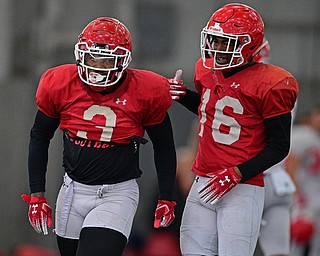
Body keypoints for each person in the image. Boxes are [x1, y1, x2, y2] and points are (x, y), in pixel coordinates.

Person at [21, 17, 177, 256]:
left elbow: (164, 145)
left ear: (122, 61)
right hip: (72, 190)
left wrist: (166, 196)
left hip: (116, 193)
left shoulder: (146, 90)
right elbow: (40, 135)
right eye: (92, 58)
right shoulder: (60, 83)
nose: (97, 67)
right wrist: (37, 195)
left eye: (106, 60)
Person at [168, 3, 298, 255]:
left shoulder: (273, 83)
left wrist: (238, 172)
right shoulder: (205, 70)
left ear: (249, 45)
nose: (216, 48)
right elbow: (214, 111)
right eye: (214, 40)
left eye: (224, 42)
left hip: (242, 187)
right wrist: (183, 95)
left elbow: (280, 146)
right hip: (203, 179)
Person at [253, 39, 297, 256]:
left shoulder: (245, 86)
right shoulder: (282, 82)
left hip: (248, 177)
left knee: (230, 247)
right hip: (278, 179)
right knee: (279, 252)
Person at [286, 104, 320, 256]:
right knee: (297, 240)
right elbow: (290, 166)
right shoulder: (303, 135)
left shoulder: (316, 138)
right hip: (303, 198)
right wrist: (298, 196)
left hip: (315, 198)